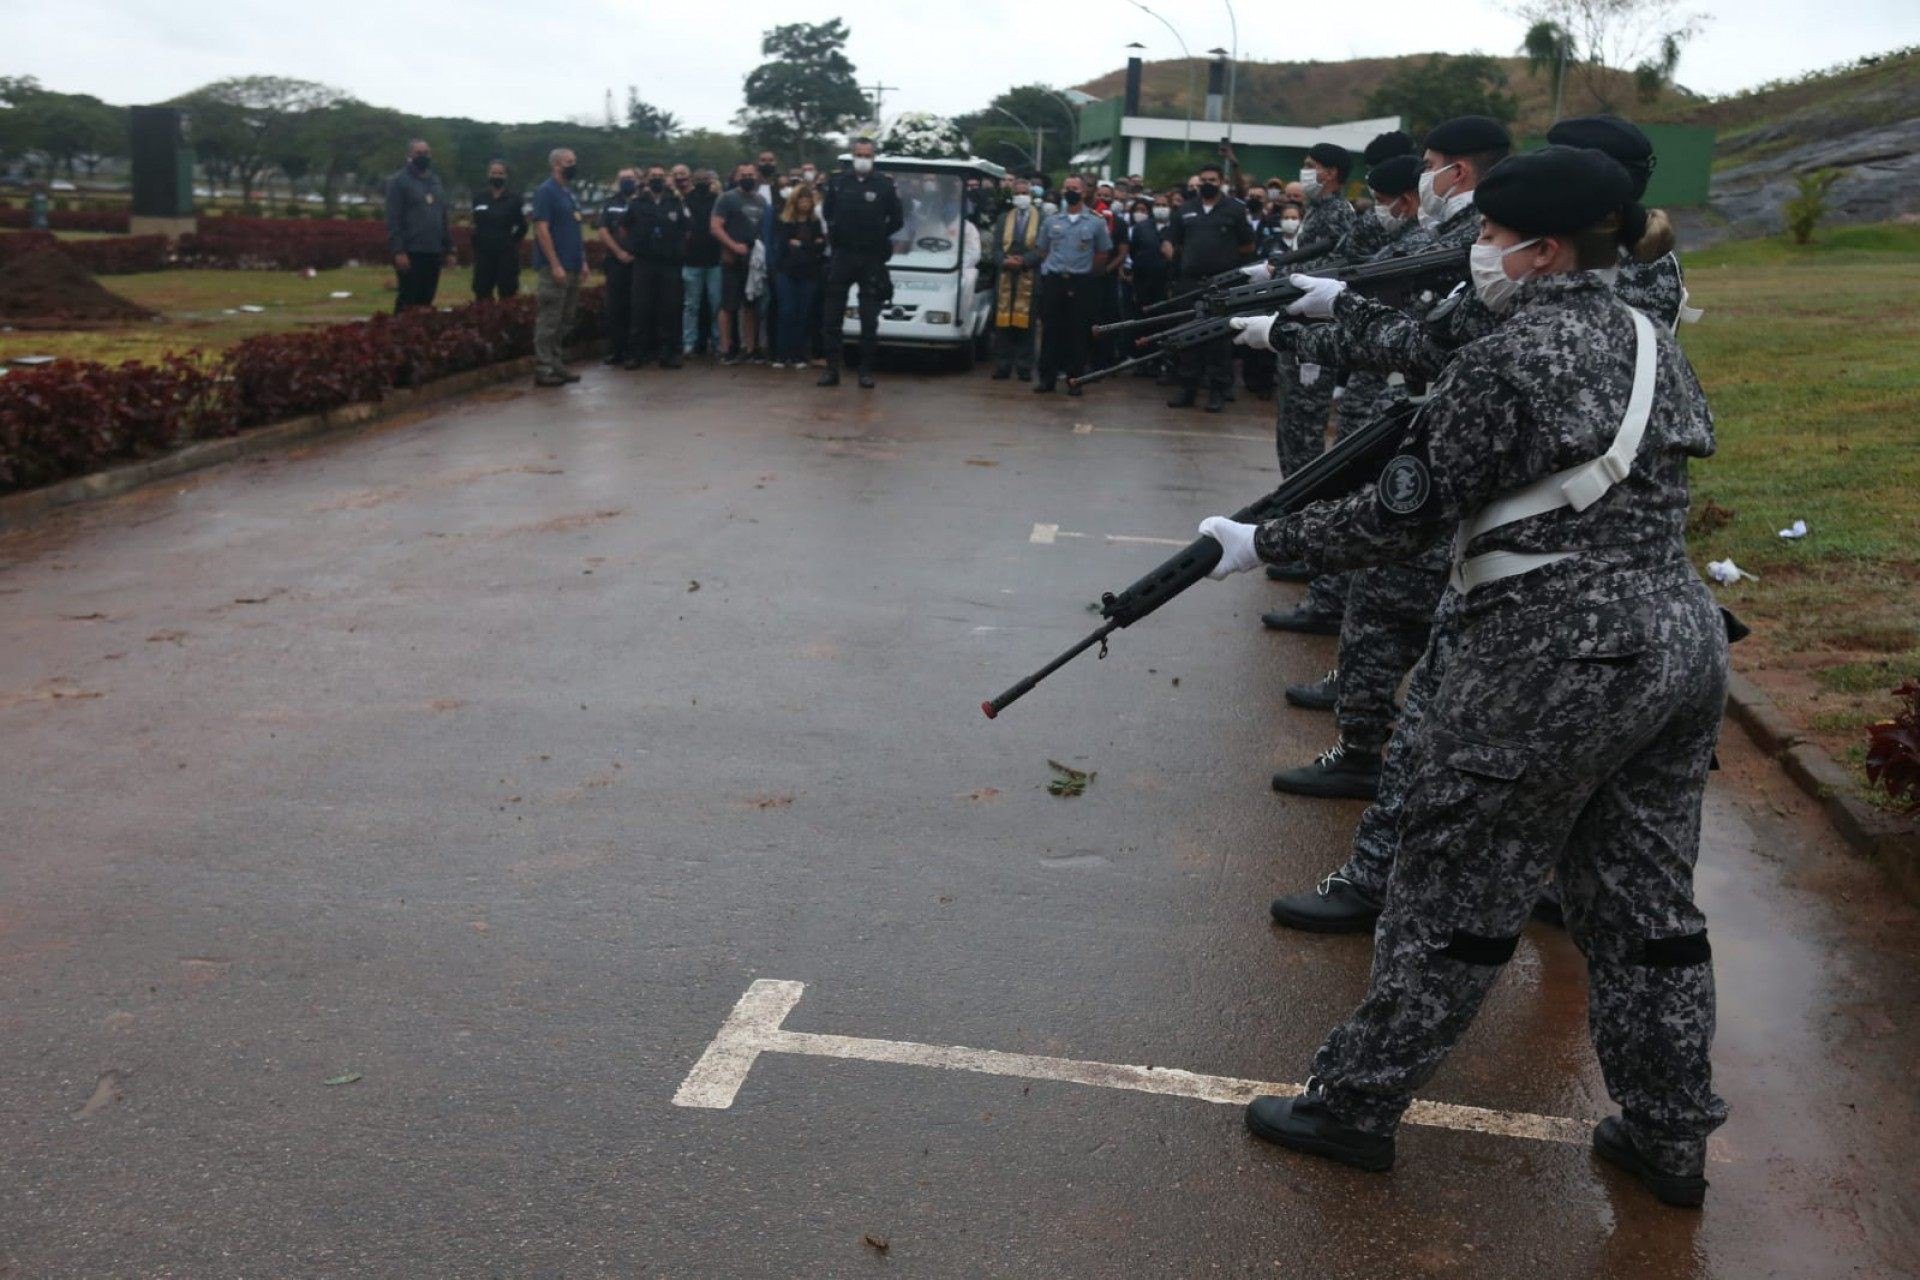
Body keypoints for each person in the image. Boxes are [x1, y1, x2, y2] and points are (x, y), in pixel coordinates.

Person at [1204, 145, 1724, 1208]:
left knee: (1452, 886)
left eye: (1491, 237)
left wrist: (1264, 541)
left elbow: (1407, 506)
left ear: (1540, 252)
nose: (1478, 250)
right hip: (1676, 638)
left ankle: (1352, 1105)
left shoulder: (1514, 353)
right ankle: (1670, 1132)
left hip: (1549, 651)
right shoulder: (1646, 333)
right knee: (1647, 904)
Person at [1162, 161, 1252, 413]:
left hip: (1220, 285)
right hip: (1189, 283)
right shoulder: (1186, 209)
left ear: (1221, 181)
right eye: (1204, 180)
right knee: (1188, 335)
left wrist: (1226, 262)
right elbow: (1171, 237)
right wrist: (1169, 249)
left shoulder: (1234, 209)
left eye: (1213, 180)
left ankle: (1217, 391)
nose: (1207, 184)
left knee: (1219, 340)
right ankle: (1187, 389)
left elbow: (1247, 245)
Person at [818, 138, 904, 390]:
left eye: (867, 155)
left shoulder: (884, 185)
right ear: (852, 155)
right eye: (858, 154)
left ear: (873, 157)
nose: (862, 159)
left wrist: (878, 234)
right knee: (832, 317)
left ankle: (865, 371)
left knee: (869, 318)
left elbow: (897, 220)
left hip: (871, 258)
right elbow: (827, 213)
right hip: (843, 255)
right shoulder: (838, 182)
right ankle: (831, 369)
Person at [1032, 175, 1112, 397]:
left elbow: (1102, 253)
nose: (1071, 191)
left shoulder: (1096, 222)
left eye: (1075, 188)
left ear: (1084, 191)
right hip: (1055, 280)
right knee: (1050, 331)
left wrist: (1087, 273)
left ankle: (1075, 379)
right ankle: (1046, 378)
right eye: (1067, 188)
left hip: (1082, 281)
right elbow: (1042, 250)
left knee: (1078, 333)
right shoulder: (1051, 220)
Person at [530, 147, 586, 387]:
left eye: (574, 160)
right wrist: (554, 263)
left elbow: (575, 229)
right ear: (555, 165)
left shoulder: (568, 194)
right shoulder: (546, 192)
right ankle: (543, 367)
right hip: (555, 267)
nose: (573, 165)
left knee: (566, 318)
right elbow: (542, 229)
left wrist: (582, 261)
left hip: (573, 264)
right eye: (568, 162)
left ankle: (556, 362)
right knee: (549, 319)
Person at [624, 164, 688, 369]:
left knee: (670, 308)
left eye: (661, 176)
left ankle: (670, 353)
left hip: (669, 263)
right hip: (644, 263)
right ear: (647, 179)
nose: (657, 179)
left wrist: (676, 249)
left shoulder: (675, 202)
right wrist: (633, 247)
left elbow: (686, 229)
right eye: (653, 176)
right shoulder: (637, 203)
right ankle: (637, 354)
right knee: (640, 309)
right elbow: (624, 228)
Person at [385, 138, 454, 313]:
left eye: (426, 153)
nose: (423, 157)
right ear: (409, 155)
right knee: (408, 298)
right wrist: (398, 250)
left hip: (433, 250)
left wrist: (450, 248)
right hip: (410, 251)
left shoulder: (435, 181)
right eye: (418, 153)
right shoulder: (398, 181)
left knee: (427, 298)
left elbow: (443, 215)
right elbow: (394, 218)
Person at [712, 163, 770, 364]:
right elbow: (716, 227)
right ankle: (726, 348)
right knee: (728, 306)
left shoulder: (761, 201)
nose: (748, 177)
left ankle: (751, 348)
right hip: (732, 259)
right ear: (736, 177)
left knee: (752, 306)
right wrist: (733, 246)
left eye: (751, 174)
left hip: (754, 262)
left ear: (757, 177)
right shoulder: (727, 198)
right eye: (743, 174)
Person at [987, 177, 1044, 381]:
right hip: (1005, 276)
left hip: (1029, 275)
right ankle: (1002, 365)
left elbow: (1043, 248)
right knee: (1002, 324)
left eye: (1025, 193)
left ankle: (1024, 367)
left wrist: (1025, 261)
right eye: (1018, 193)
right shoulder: (1004, 218)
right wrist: (1004, 261)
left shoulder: (1042, 218)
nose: (1022, 197)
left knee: (1026, 325)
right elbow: (994, 248)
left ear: (1031, 196)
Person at [768, 183, 827, 368]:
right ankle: (781, 354)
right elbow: (785, 245)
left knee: (803, 313)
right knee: (786, 311)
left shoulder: (815, 222)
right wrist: (809, 244)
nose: (805, 204)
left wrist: (802, 245)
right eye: (802, 200)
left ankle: (798, 355)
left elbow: (820, 245)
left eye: (808, 200)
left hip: (809, 273)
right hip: (787, 272)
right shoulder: (785, 221)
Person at [597, 168, 641, 367]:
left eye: (630, 179)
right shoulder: (611, 203)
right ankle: (618, 350)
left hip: (639, 263)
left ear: (637, 180)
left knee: (637, 308)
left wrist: (635, 253)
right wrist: (619, 252)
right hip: (615, 262)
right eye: (623, 179)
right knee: (616, 308)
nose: (627, 182)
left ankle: (636, 352)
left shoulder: (643, 201)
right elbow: (603, 230)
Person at [469, 159, 527, 301]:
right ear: (488, 174)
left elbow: (523, 226)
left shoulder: (515, 199)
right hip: (484, 253)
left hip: (506, 253)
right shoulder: (479, 198)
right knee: (482, 290)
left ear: (506, 176)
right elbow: (473, 223)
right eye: (494, 173)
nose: (497, 176)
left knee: (507, 291)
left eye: (500, 173)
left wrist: (511, 242)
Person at [681, 169, 722, 357]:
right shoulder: (685, 200)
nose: (702, 182)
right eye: (699, 180)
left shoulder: (718, 200)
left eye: (705, 179)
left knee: (716, 303)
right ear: (692, 181)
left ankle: (717, 341)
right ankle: (689, 342)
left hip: (715, 259)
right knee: (691, 305)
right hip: (691, 260)